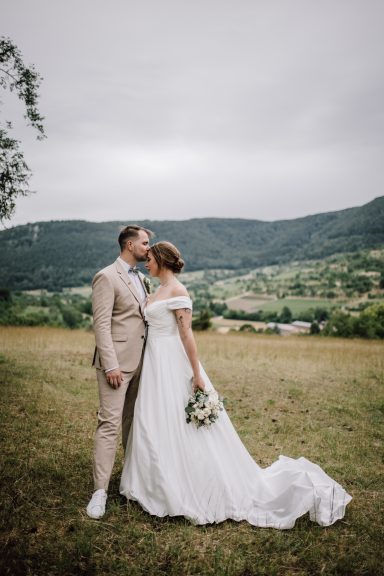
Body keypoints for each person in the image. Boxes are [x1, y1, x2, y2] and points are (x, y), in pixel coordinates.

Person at [119, 241, 352, 529]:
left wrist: (197, 374)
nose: (146, 262)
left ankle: (186, 485)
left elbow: (187, 336)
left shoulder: (178, 291)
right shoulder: (155, 291)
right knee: (153, 419)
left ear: (163, 260)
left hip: (172, 362)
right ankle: (151, 482)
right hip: (153, 363)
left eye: (150, 258)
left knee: (179, 423)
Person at [86, 224, 153, 519]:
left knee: (132, 421)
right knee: (110, 423)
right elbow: (101, 324)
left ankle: (130, 481)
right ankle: (99, 491)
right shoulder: (106, 276)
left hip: (142, 364)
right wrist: (111, 364)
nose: (149, 248)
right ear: (129, 245)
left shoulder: (141, 279)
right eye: (145, 243)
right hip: (116, 366)